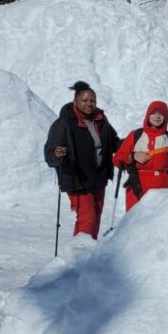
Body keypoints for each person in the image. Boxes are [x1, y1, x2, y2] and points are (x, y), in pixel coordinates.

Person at [43, 81, 120, 239]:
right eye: (85, 100)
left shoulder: (101, 120)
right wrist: (58, 154)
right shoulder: (63, 124)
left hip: (98, 179)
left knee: (94, 218)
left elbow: (114, 143)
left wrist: (134, 142)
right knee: (88, 218)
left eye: (92, 100)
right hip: (77, 180)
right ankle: (83, 255)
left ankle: (80, 253)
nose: (89, 104)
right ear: (75, 101)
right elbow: (50, 155)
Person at [112, 101, 168, 211]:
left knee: (156, 225)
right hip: (136, 186)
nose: (157, 117)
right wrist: (133, 156)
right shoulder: (136, 135)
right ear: (148, 115)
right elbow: (117, 159)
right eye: (154, 113)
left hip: (161, 189)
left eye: (161, 114)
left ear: (166, 117)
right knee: (135, 225)